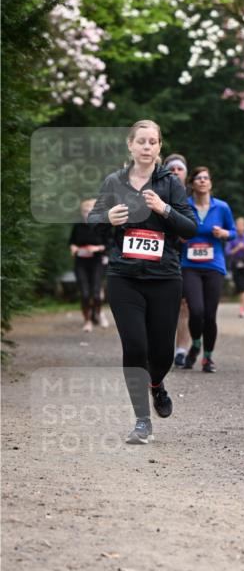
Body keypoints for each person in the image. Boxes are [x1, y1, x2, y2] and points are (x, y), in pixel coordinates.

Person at [89, 120, 197, 444]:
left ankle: (156, 384)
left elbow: (190, 228)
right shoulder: (114, 181)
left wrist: (164, 210)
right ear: (130, 146)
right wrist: (106, 219)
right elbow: (92, 223)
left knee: (161, 354)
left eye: (153, 141)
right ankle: (141, 420)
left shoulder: (171, 183)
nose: (147, 147)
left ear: (159, 147)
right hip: (124, 277)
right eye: (142, 141)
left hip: (164, 277)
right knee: (135, 347)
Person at [181, 166, 236, 373]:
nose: (203, 181)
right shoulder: (184, 206)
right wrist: (181, 237)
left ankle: (208, 358)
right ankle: (195, 344)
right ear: (192, 183)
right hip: (190, 266)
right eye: (198, 178)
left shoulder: (221, 207)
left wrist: (223, 233)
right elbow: (175, 230)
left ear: (210, 183)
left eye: (206, 178)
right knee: (196, 311)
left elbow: (233, 233)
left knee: (210, 315)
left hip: (214, 266)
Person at [163, 153, 191, 367]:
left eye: (179, 169)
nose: (175, 172)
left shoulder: (193, 197)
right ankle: (160, 347)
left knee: (184, 306)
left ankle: (181, 349)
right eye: (171, 169)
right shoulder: (158, 194)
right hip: (164, 255)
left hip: (189, 259)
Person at [68, 198, 112, 331]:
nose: (88, 214)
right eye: (85, 211)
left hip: (97, 262)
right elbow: (72, 242)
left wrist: (97, 248)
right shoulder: (78, 225)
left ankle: (98, 314)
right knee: (85, 293)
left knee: (97, 294)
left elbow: (109, 244)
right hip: (81, 262)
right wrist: (74, 248)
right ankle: (87, 321)